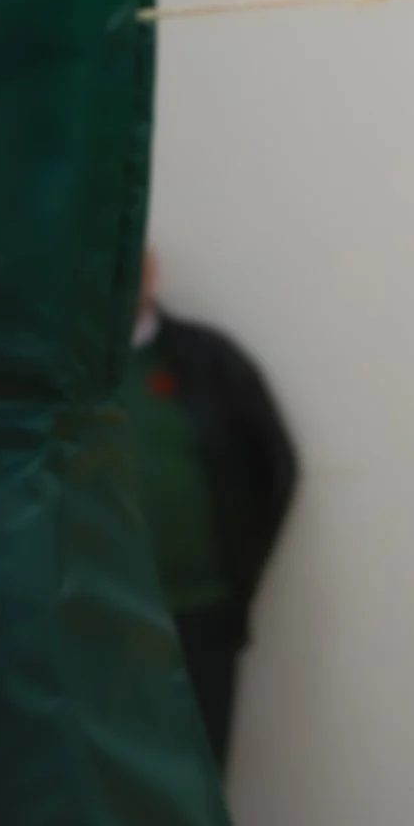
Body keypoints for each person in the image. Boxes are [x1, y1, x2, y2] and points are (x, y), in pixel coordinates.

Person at [126, 247, 301, 767]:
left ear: (150, 273)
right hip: (90, 629)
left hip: (198, 622)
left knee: (194, 795)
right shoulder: (58, 374)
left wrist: (234, 584)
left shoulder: (208, 363)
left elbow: (274, 470)